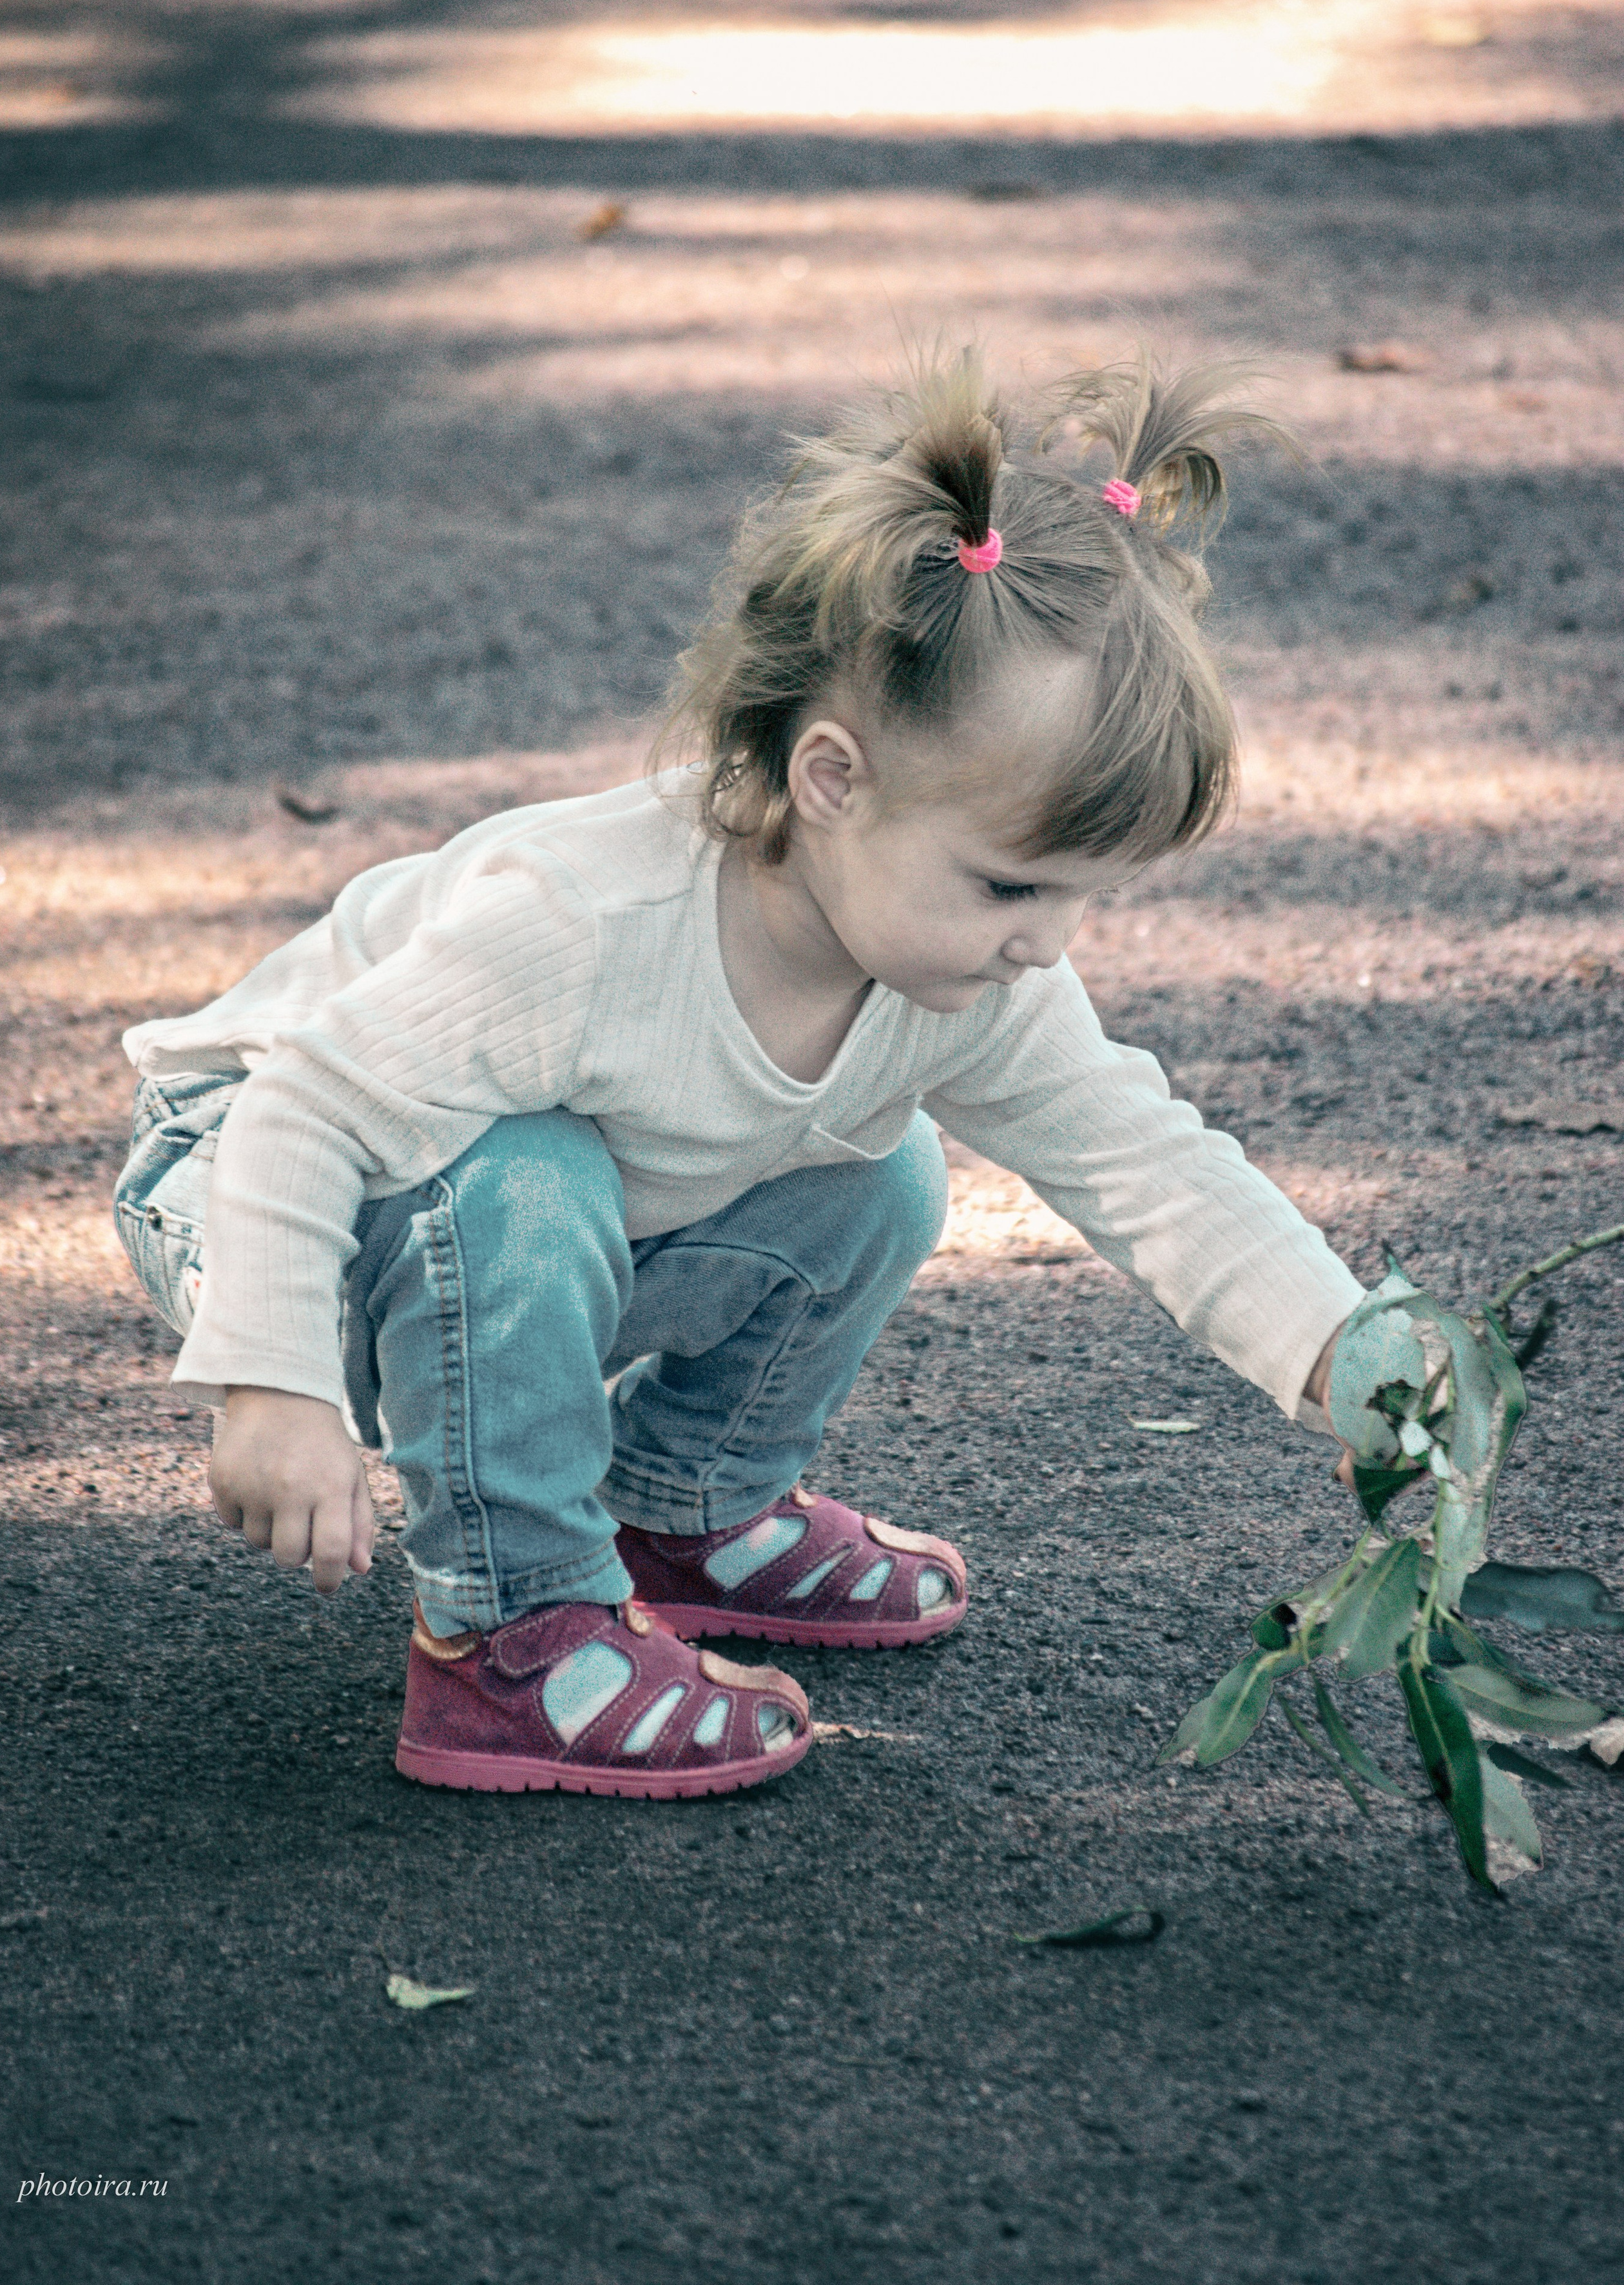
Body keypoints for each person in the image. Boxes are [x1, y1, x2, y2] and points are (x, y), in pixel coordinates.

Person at [114, 348, 1365, 1800]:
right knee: (529, 1175)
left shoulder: (958, 971)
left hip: (486, 1208)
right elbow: (308, 1108)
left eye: (1085, 897)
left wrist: (1346, 1362)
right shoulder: (585, 927)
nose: (1048, 946)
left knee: (881, 1171)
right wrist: (272, 1386)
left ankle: (682, 1511)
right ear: (831, 781)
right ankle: (512, 1640)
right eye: (1014, 886)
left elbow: (1151, 1165)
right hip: (250, 1181)